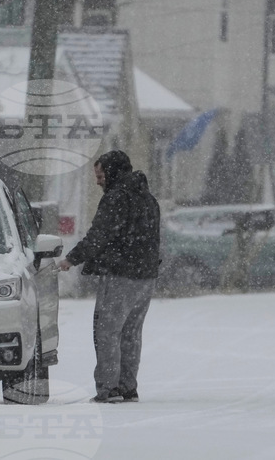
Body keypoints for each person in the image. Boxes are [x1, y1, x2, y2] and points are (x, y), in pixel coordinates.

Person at [59, 150, 161, 403]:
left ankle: (109, 389)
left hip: (119, 275)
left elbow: (99, 235)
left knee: (107, 333)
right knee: (131, 333)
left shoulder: (116, 198)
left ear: (112, 172)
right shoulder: (148, 198)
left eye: (100, 174)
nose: (98, 181)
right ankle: (128, 387)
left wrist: (71, 259)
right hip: (146, 276)